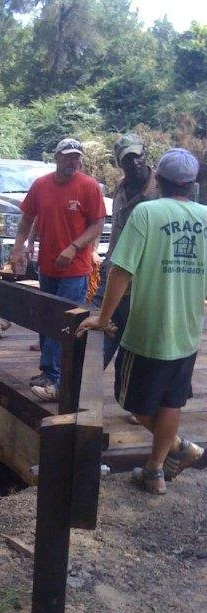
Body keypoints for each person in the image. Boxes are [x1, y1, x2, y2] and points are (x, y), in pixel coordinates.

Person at [77, 148, 207, 495]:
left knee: (130, 400)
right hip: (188, 331)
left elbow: (121, 270)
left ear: (159, 179)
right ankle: (155, 470)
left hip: (147, 331)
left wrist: (103, 319)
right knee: (171, 402)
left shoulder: (147, 213)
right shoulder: (206, 218)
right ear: (192, 184)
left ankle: (176, 450)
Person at [9, 138, 106, 402]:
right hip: (47, 266)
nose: (72, 161)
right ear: (56, 158)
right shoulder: (41, 185)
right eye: (67, 157)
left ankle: (56, 379)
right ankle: (48, 371)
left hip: (75, 268)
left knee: (65, 320)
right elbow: (27, 219)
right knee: (45, 318)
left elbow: (97, 225)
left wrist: (75, 247)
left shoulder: (88, 187)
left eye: (76, 157)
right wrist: (18, 249)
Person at [93, 133, 159, 369]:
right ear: (119, 163)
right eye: (127, 159)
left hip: (144, 280)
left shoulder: (160, 190)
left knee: (137, 345)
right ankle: (78, 391)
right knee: (100, 334)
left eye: (137, 156)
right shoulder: (121, 186)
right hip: (114, 271)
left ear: (145, 154)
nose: (135, 163)